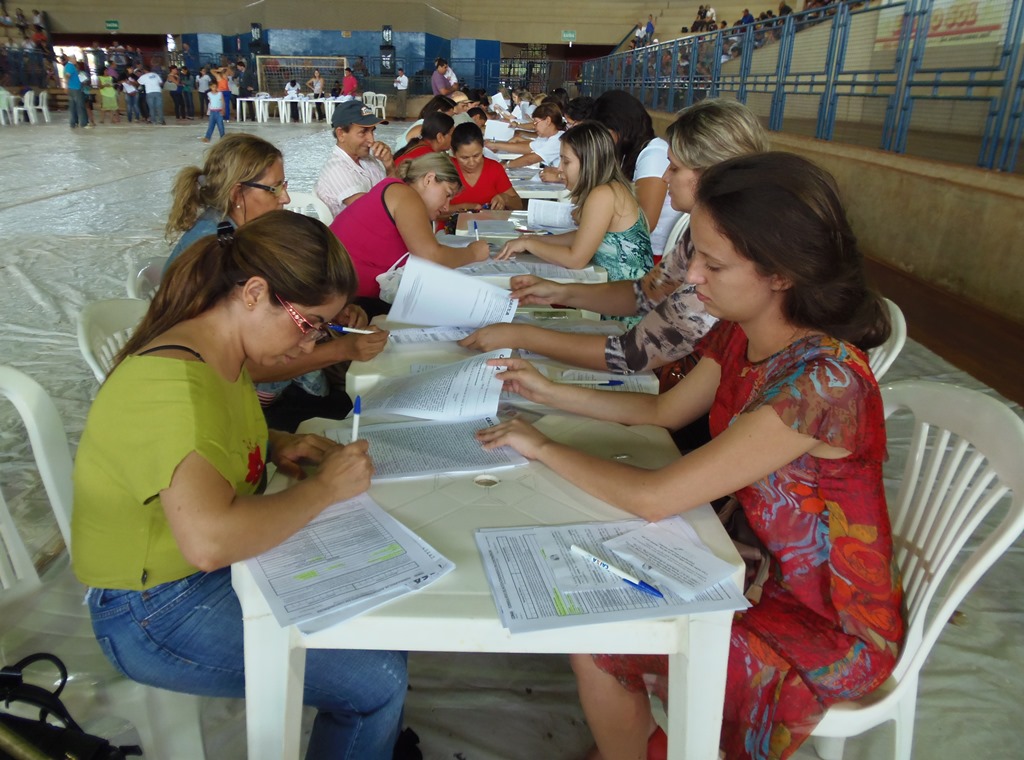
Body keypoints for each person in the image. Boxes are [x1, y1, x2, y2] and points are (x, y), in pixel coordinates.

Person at [475, 151, 903, 760]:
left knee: (599, 634)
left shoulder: (823, 384)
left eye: (714, 262)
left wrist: (541, 444)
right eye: (695, 253)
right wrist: (546, 391)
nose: (692, 275)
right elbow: (661, 412)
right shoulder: (741, 329)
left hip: (823, 618)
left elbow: (656, 498)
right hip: (749, 564)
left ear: (781, 273)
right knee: (595, 583)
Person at [72, 211, 408, 760]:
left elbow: (208, 440)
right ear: (254, 292)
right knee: (377, 681)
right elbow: (210, 543)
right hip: (152, 609)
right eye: (310, 325)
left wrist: (275, 442)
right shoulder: (171, 387)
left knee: (381, 612)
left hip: (188, 579)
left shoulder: (216, 353)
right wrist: (324, 490)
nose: (310, 347)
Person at [459, 99, 769, 375]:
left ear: (712, 173)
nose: (664, 177)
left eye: (674, 168)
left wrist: (522, 335)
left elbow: (635, 351)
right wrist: (558, 292)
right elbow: (645, 292)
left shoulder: (730, 251)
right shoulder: (698, 233)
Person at [164, 134, 385, 430]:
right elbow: (247, 368)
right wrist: (343, 349)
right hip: (255, 402)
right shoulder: (218, 256)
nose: (286, 198)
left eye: (285, 185)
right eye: (275, 188)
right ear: (237, 193)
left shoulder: (243, 239)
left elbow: (282, 312)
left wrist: (330, 315)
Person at [494, 121, 653, 298]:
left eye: (566, 161)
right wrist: (534, 240)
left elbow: (576, 259)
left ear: (589, 163)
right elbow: (582, 237)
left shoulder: (603, 194)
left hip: (626, 303)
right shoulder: (609, 189)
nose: (559, 169)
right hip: (620, 293)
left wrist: (529, 244)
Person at [330, 153, 490, 311]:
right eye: (447, 194)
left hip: (344, 291)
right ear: (429, 179)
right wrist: (473, 253)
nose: (446, 207)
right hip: (345, 299)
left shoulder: (397, 190)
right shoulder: (405, 195)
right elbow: (431, 256)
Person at [315, 100, 395, 219]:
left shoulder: (368, 161)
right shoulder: (336, 169)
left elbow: (392, 193)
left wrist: (389, 165)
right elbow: (372, 213)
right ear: (341, 134)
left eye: (372, 131)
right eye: (363, 132)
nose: (371, 140)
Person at [448, 122, 523, 213]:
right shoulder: (445, 169)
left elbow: (518, 205)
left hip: (488, 225)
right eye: (465, 158)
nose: (472, 163)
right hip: (451, 225)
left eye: (476, 155)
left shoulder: (494, 169)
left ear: (483, 147)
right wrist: (464, 208)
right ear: (453, 151)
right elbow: (433, 210)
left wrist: (505, 198)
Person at [487, 102, 566, 168]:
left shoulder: (558, 139)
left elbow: (531, 159)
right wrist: (495, 145)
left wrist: (506, 165)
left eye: (536, 122)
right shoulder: (545, 137)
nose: (534, 126)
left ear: (548, 121)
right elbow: (529, 147)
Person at [201, 66, 230, 142]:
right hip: (213, 110)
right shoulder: (218, 76)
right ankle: (207, 137)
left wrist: (224, 68)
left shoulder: (225, 76)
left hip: (224, 94)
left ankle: (223, 137)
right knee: (211, 125)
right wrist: (218, 70)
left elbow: (223, 103)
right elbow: (211, 70)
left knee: (220, 125)